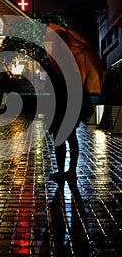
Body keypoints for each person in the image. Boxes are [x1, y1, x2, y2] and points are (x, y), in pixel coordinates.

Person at [44, 26, 95, 186]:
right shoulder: (64, 60)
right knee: (66, 138)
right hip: (64, 103)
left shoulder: (64, 60)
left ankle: (68, 171)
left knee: (65, 138)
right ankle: (67, 171)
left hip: (64, 103)